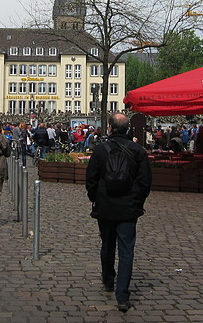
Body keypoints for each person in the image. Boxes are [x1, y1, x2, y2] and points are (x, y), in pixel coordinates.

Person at [86, 112, 151, 313]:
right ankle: (122, 296)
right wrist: (137, 201)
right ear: (128, 129)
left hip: (105, 205)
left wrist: (95, 199)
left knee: (107, 244)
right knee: (126, 250)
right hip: (128, 207)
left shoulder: (100, 150)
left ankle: (108, 279)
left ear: (110, 128)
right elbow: (145, 182)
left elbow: (91, 179)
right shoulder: (138, 150)